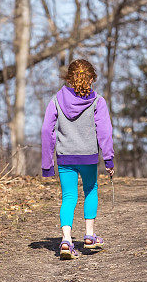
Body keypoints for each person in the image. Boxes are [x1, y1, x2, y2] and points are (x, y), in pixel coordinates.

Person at [41, 59, 114, 260]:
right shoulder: (98, 101)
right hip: (88, 156)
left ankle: (66, 240)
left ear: (69, 78)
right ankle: (89, 236)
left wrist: (47, 164)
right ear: (91, 79)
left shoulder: (56, 99)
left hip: (65, 156)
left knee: (69, 197)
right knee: (91, 190)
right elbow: (105, 132)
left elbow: (47, 130)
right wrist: (108, 159)